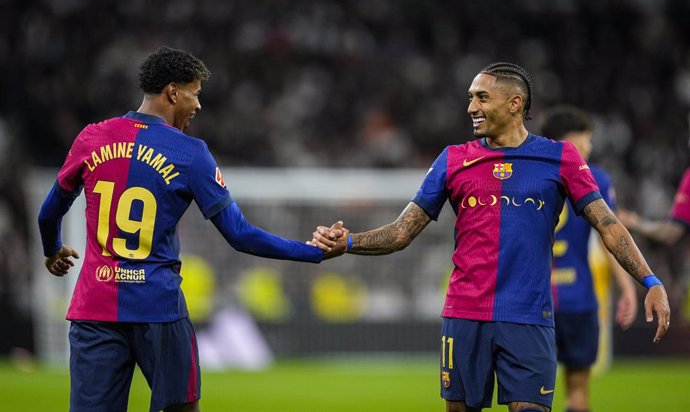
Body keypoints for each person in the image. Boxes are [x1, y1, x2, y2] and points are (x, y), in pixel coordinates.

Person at [310, 62, 670, 412]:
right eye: (470, 98)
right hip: (464, 315)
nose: (471, 108)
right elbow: (402, 232)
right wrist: (349, 242)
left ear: (515, 104)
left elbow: (608, 224)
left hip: (529, 318)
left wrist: (649, 280)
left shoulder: (560, 158)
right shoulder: (452, 160)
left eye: (481, 97)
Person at [37, 47, 341, 412]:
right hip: (159, 308)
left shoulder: (92, 137)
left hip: (94, 308)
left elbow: (48, 212)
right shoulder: (189, 153)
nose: (197, 105)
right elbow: (240, 235)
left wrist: (52, 249)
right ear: (172, 92)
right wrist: (314, 251)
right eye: (195, 93)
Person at [541, 105, 637, 412]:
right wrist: (628, 286)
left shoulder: (530, 175)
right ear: (570, 143)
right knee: (578, 391)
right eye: (586, 140)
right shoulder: (595, 178)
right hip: (578, 298)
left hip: (534, 300)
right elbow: (609, 238)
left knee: (528, 395)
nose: (590, 147)